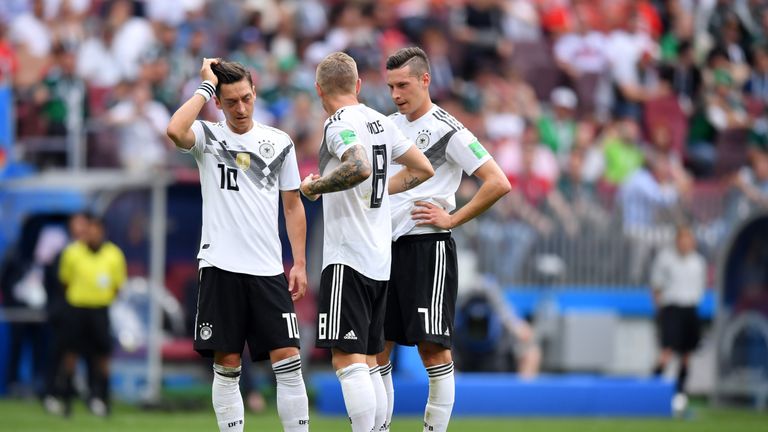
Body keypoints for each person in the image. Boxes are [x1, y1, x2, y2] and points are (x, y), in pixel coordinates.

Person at [166, 58, 310, 432]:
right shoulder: (208, 137)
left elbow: (293, 207)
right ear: (219, 102)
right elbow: (174, 129)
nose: (241, 108)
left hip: (267, 269)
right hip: (220, 267)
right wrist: (204, 86)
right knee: (227, 365)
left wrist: (299, 263)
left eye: (246, 98)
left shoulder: (278, 142)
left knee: (289, 363)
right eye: (231, 102)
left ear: (255, 92)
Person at [377, 47, 511, 432]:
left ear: (425, 80)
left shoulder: (447, 129)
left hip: (426, 246)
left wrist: (451, 218)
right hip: (384, 247)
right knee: (377, 348)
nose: (396, 94)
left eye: (403, 85)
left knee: (432, 349)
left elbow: (498, 182)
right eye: (390, 87)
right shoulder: (386, 125)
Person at [299, 52, 434, 432]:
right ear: (357, 86)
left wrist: (315, 188)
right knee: (372, 360)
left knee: (347, 360)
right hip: (379, 257)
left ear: (319, 90)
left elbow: (357, 166)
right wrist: (381, 192)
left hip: (348, 256)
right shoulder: (379, 121)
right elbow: (423, 168)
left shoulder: (336, 122)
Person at [55, 214, 127, 416]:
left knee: (102, 356)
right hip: (76, 310)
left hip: (100, 311)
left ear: (102, 231)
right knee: (70, 354)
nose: (92, 234)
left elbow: (117, 286)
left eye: (96, 230)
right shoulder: (72, 253)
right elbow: (65, 281)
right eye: (89, 230)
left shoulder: (114, 254)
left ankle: (103, 399)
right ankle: (66, 399)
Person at [650, 225, 706, 415]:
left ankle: (680, 394)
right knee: (667, 352)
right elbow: (656, 286)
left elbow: (700, 287)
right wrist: (660, 311)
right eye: (683, 239)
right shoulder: (666, 259)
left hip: (690, 309)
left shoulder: (698, 262)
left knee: (686, 355)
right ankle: (651, 390)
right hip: (671, 308)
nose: (686, 243)